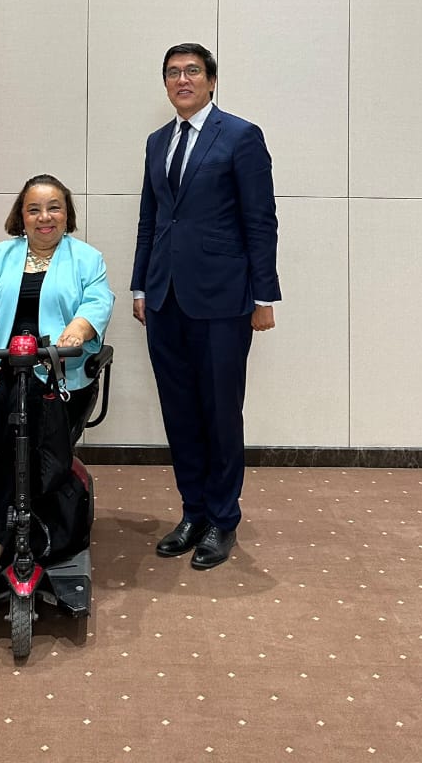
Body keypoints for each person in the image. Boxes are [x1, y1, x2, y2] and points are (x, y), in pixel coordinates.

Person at [131, 43, 280, 570]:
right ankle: (193, 510)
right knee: (180, 411)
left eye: (192, 71)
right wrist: (140, 287)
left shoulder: (241, 136)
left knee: (219, 410)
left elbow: (260, 221)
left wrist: (264, 296)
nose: (182, 79)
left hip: (223, 301)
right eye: (172, 72)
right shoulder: (156, 142)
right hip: (164, 299)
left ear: (212, 81)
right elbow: (152, 219)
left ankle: (223, 518)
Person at [0, 174, 114, 594]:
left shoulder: (87, 259)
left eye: (54, 207)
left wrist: (79, 328)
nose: (44, 217)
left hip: (51, 372)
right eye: (34, 209)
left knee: (27, 434)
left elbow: (98, 300)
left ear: (67, 213)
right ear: (21, 216)